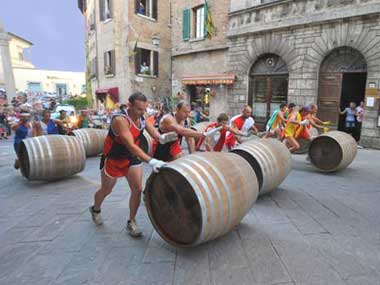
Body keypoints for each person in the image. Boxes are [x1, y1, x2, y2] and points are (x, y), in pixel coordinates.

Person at [89, 92, 173, 237]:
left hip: (132, 157)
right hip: (114, 157)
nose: (143, 112)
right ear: (129, 106)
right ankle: (95, 209)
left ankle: (131, 222)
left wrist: (163, 138)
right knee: (106, 190)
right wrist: (152, 161)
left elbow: (154, 133)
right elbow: (130, 145)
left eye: (145, 109)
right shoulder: (120, 120)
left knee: (137, 189)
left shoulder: (142, 117)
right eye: (139, 109)